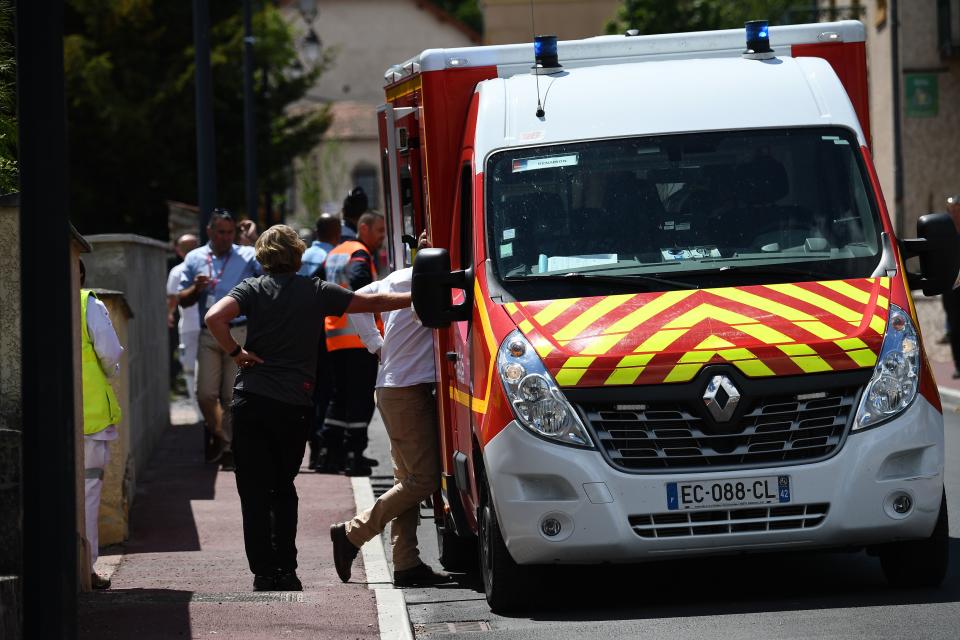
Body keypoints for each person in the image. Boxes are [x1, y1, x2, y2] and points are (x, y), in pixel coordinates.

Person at [203, 224, 411, 592]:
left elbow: (214, 317)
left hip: (251, 400)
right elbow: (372, 303)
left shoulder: (250, 289)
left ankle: (263, 573)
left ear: (263, 256)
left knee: (252, 491)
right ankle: (286, 569)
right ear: (297, 255)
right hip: (292, 404)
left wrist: (237, 353)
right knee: (283, 486)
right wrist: (416, 297)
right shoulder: (315, 291)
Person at [330, 232, 451, 587]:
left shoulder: (402, 277)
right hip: (406, 391)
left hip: (396, 387)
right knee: (423, 480)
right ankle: (353, 533)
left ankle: (406, 563)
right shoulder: (423, 281)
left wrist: (377, 346)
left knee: (407, 480)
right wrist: (375, 346)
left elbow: (360, 300)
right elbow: (355, 300)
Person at [179, 209, 261, 469]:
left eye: (230, 232)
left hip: (238, 331)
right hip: (209, 332)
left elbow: (271, 271)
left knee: (230, 396)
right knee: (204, 393)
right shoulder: (194, 257)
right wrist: (196, 288)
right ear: (209, 232)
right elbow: (182, 298)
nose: (226, 237)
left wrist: (254, 239)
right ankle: (218, 434)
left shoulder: (247, 255)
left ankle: (228, 447)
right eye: (221, 232)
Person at [321, 211, 386, 476]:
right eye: (379, 230)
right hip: (357, 338)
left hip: (335, 336)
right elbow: (361, 286)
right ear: (363, 227)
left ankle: (329, 453)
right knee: (360, 399)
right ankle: (354, 456)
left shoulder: (336, 252)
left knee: (339, 396)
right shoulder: (360, 253)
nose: (382, 236)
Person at [79, 259, 125, 590]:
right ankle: (86, 568)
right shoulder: (88, 304)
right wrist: (110, 373)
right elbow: (109, 353)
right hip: (90, 414)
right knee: (88, 490)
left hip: (40, 415)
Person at [297, 213, 341, 469]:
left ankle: (313, 444)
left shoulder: (301, 257)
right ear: (335, 232)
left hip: (302, 331)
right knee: (327, 390)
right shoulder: (335, 256)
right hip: (327, 331)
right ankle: (324, 447)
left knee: (308, 390)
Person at [166, 233, 200, 409]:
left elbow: (172, 299)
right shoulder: (209, 267)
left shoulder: (177, 271)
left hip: (188, 326)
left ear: (178, 251)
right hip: (208, 326)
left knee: (189, 368)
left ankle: (197, 408)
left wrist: (169, 314)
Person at [942, 195, 960, 377]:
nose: (954, 213)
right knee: (954, 328)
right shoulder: (945, 233)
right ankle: (958, 365)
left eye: (957, 209)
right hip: (951, 287)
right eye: (951, 210)